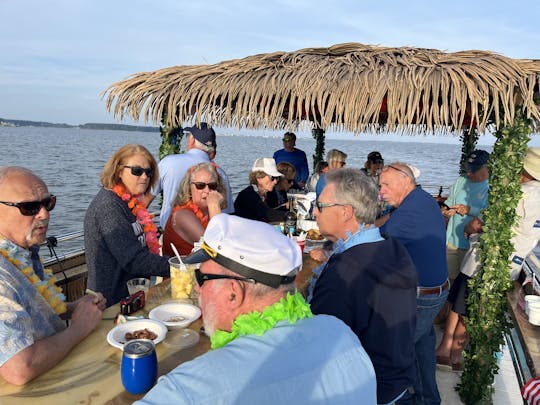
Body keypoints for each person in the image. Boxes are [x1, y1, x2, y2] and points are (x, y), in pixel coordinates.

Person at [136, 214, 377, 404]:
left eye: (200, 278)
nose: (197, 290)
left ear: (233, 293)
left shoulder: (189, 390)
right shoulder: (341, 332)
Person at [309, 168, 417, 404]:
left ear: (346, 211)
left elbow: (318, 347)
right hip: (397, 383)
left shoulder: (344, 273)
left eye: (320, 205)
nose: (315, 212)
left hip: (366, 392)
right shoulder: (392, 248)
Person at [0, 166, 106, 385]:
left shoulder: (23, 250)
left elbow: (28, 308)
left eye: (48, 203)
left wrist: (71, 309)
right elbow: (19, 368)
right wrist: (79, 328)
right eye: (29, 207)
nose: (44, 214)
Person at [437, 147, 540, 368]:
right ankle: (457, 353)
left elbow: (480, 223)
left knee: (460, 303)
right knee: (473, 307)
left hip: (483, 259)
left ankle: (447, 349)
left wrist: (469, 227)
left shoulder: (517, 193)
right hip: (511, 264)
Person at [378, 162, 449, 405]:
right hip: (435, 291)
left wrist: (331, 249)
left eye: (386, 185)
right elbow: (388, 221)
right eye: (380, 185)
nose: (381, 192)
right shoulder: (421, 199)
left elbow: (373, 243)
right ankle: (428, 399)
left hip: (422, 297)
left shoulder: (408, 214)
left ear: (405, 182)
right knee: (422, 349)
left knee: (391, 354)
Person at [84, 144, 170, 305]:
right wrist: (178, 266)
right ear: (119, 171)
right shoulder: (109, 206)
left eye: (149, 172)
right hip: (110, 303)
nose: (144, 177)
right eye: (137, 171)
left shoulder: (130, 202)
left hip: (132, 296)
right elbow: (133, 260)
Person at [151, 122, 233, 228]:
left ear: (192, 139)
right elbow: (226, 214)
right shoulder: (220, 173)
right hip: (206, 237)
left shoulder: (168, 163)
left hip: (170, 235)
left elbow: (146, 199)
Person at [442, 149, 490, 283]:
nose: (469, 173)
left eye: (473, 170)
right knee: (449, 281)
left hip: (472, 246)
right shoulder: (461, 180)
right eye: (468, 169)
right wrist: (447, 210)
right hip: (451, 241)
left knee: (464, 285)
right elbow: (449, 203)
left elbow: (491, 214)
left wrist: (469, 210)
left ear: (486, 168)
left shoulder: (492, 186)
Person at [162, 162, 226, 257]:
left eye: (212, 186)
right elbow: (216, 248)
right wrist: (214, 205)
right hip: (182, 270)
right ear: (189, 189)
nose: (207, 191)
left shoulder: (209, 214)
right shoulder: (182, 215)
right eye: (200, 185)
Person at [233, 158, 288, 222]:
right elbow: (268, 214)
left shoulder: (268, 193)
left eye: (277, 178)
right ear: (259, 178)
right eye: (273, 178)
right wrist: (291, 215)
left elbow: (271, 210)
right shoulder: (247, 195)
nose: (275, 181)